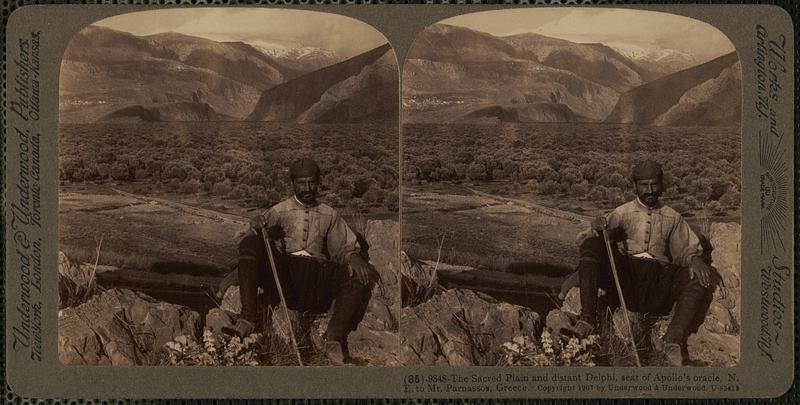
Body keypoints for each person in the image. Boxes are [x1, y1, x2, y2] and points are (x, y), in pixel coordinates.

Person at [571, 160, 717, 366]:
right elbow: (586, 238)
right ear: (635, 186)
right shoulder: (622, 212)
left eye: (654, 184)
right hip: (626, 279)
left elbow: (685, 251)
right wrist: (597, 228)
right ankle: (586, 319)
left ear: (661, 184)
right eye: (644, 185)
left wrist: (695, 259)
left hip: (658, 281)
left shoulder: (673, 217)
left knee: (699, 276)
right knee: (592, 244)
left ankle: (673, 340)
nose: (650, 190)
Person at [236, 157, 376, 364]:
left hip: (316, 278)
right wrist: (257, 224)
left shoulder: (330, 214)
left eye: (312, 182)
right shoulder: (279, 210)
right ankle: (247, 317)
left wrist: (354, 257)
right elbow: (255, 232)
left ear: (318, 182)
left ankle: (334, 338)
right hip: (286, 278)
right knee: (250, 243)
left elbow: (343, 248)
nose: (307, 187)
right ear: (293, 183)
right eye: (302, 183)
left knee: (358, 273)